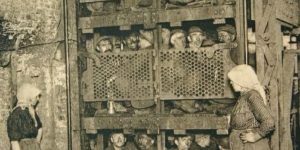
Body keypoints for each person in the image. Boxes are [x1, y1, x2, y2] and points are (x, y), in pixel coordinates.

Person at [227, 64, 275, 150]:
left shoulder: (252, 96)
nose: (231, 82)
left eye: (233, 80)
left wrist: (256, 136)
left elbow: (269, 121)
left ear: (241, 80)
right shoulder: (243, 96)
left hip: (251, 147)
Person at [7, 83, 43, 150]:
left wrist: (36, 144)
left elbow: (39, 128)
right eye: (36, 97)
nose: (38, 99)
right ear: (28, 96)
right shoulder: (16, 114)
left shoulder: (31, 111)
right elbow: (14, 141)